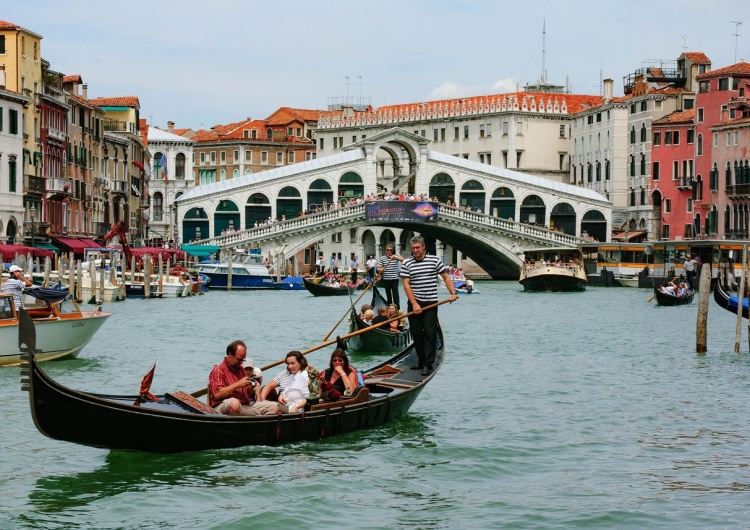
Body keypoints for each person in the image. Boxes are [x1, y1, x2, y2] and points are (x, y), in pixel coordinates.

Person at [401, 236, 459, 376]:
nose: (415, 250)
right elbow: (406, 285)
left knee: (429, 333)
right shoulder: (407, 263)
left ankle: (428, 364)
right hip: (414, 303)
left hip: (431, 302)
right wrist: (414, 304)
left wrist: (453, 292)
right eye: (413, 248)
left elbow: (445, 277)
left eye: (418, 248)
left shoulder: (434, 260)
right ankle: (421, 361)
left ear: (423, 247)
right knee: (416, 333)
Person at [208, 340, 279, 415]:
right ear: (230, 355)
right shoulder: (219, 370)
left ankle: (259, 424)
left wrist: (251, 388)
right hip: (221, 407)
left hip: (243, 405)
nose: (241, 362)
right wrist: (237, 385)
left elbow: (247, 394)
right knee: (235, 403)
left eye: (243, 360)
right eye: (239, 359)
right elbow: (217, 395)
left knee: (275, 406)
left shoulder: (241, 369)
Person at [377, 244, 405, 308]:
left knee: (396, 296)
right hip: (386, 279)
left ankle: (398, 311)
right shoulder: (382, 258)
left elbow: (404, 260)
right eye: (388, 250)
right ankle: (390, 310)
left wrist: (395, 257)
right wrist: (381, 269)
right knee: (389, 296)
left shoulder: (395, 256)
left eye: (390, 250)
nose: (389, 251)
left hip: (394, 279)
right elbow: (378, 268)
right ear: (386, 250)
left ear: (392, 250)